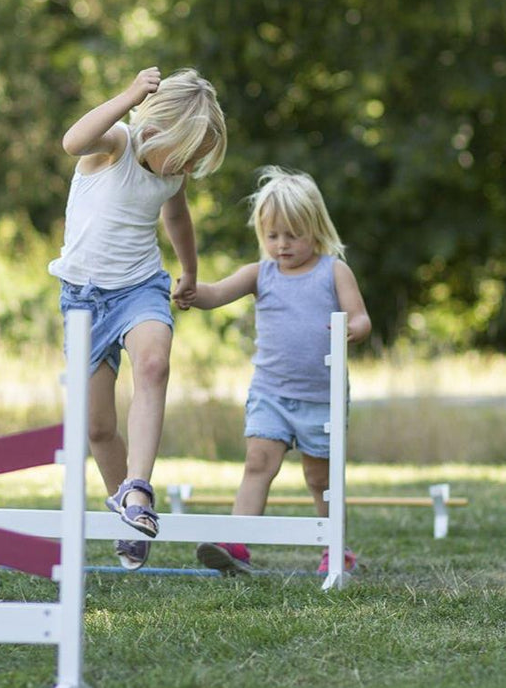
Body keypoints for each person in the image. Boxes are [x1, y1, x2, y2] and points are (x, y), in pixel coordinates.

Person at [49, 66, 227, 570]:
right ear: (157, 128)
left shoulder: (173, 174)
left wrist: (189, 271)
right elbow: (71, 140)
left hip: (140, 288)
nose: (189, 164)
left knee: (153, 366)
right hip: (82, 299)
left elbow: (176, 218)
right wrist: (127, 94)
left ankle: (138, 490)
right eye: (186, 150)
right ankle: (125, 514)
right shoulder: (117, 143)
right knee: (98, 428)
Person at [185, 165, 371, 576]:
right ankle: (236, 543)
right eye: (273, 236)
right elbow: (215, 294)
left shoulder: (333, 271)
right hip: (270, 392)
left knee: (318, 477)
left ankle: (335, 548)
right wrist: (191, 292)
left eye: (293, 235)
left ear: (315, 229)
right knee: (257, 462)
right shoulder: (260, 273)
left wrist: (350, 330)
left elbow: (360, 318)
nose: (282, 245)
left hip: (320, 398)